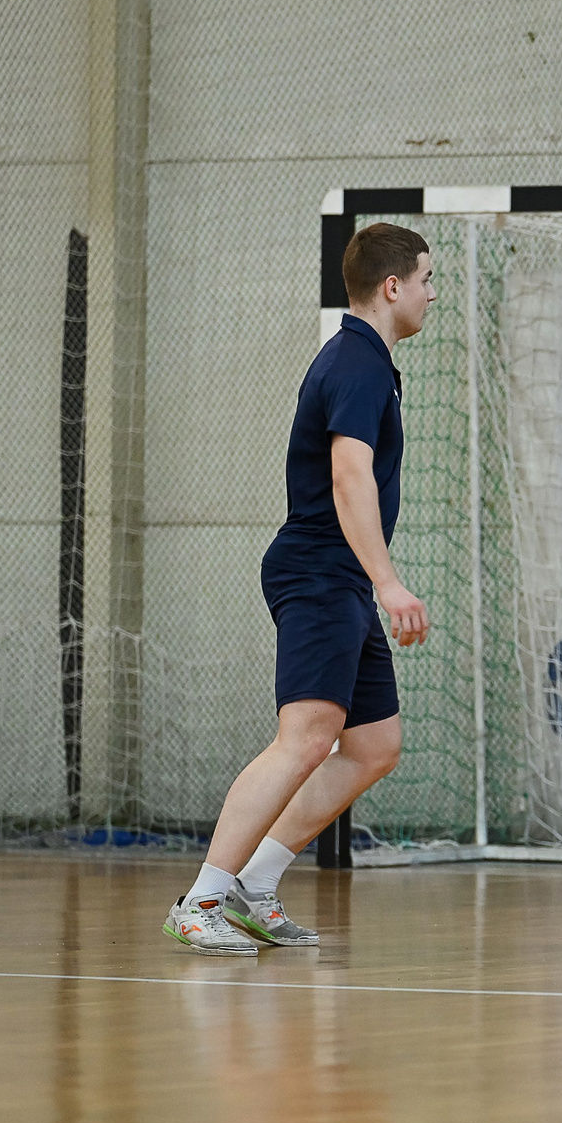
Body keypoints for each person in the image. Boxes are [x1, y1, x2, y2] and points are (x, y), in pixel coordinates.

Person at [163, 222, 436, 954]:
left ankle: (253, 885)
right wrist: (388, 582)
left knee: (373, 745)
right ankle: (200, 901)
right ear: (392, 286)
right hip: (319, 573)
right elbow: (349, 477)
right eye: (426, 280)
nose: (431, 294)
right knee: (307, 738)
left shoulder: (369, 362)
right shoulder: (357, 363)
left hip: (339, 578)